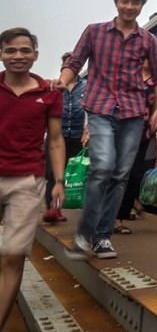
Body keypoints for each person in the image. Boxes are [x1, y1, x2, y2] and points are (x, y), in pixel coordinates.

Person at [57, 0, 157, 260]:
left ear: (142, 5)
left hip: (133, 113)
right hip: (100, 108)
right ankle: (84, 235)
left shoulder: (148, 40)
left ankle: (102, 237)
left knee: (120, 175)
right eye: (125, 1)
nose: (130, 7)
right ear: (116, 1)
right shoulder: (94, 32)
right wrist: (62, 82)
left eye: (136, 3)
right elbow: (75, 62)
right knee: (104, 167)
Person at [0, 27, 66, 328]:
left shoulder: (49, 92)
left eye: (25, 50)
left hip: (28, 181)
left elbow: (54, 140)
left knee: (13, 256)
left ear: (35, 55)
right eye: (10, 50)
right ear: (1, 54)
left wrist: (59, 182)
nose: (18, 56)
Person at [114, 58, 157, 234]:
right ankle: (110, 216)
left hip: (144, 135)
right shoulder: (130, 76)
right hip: (122, 131)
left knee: (134, 176)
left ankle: (119, 218)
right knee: (118, 174)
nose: (147, 60)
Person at [42, 51, 89, 223]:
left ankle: (67, 206)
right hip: (57, 135)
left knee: (75, 173)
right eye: (67, 64)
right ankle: (52, 209)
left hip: (78, 136)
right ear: (63, 67)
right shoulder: (55, 86)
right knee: (52, 173)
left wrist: (87, 129)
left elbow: (91, 108)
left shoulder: (87, 86)